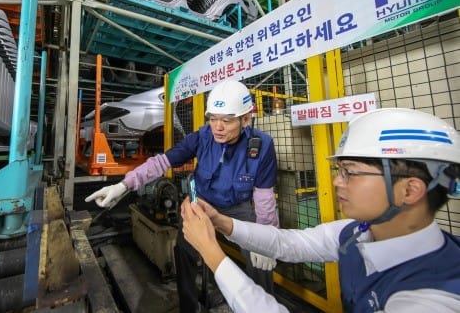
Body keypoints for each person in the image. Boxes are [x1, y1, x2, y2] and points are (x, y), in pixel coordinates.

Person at [180, 107, 460, 312]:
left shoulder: (432, 299)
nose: (337, 181)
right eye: (340, 170)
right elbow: (289, 243)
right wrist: (222, 222)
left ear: (409, 190)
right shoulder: (357, 233)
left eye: (351, 172)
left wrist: (211, 253)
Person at [85, 79, 279, 312]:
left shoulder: (263, 146)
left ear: (245, 119)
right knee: (184, 250)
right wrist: (123, 186)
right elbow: (161, 162)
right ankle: (189, 307)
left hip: (238, 206)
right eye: (213, 118)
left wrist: (266, 237)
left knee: (262, 257)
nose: (217, 127)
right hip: (202, 203)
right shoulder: (202, 137)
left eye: (226, 121)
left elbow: (265, 198)